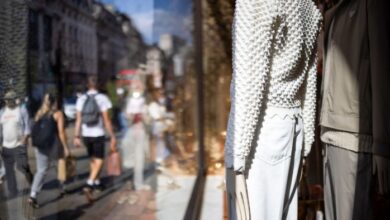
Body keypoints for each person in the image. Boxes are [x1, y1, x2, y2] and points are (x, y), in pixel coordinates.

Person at [224, 1, 322, 219]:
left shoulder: (257, 2)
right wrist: (304, 144)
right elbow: (308, 84)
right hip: (291, 127)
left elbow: (248, 84)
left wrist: (235, 157)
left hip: (261, 133)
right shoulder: (307, 6)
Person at [320, 0, 390, 219]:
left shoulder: (371, 6)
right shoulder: (334, 12)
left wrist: (382, 145)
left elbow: (382, 77)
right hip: (329, 133)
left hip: (355, 138)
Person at [74, 75, 117, 202]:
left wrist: (77, 136)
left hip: (86, 134)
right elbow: (106, 119)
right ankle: (89, 184)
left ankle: (97, 182)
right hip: (98, 133)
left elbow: (78, 120)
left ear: (87, 85)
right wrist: (112, 135)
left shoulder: (81, 99)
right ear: (97, 85)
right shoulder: (102, 98)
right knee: (100, 160)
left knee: (93, 159)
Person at [28, 93, 70, 208]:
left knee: (41, 170)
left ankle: (33, 195)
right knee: (60, 163)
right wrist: (66, 147)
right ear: (55, 101)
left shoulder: (39, 113)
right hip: (53, 145)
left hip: (40, 146)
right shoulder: (58, 114)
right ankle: (62, 188)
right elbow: (61, 132)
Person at [0, 90, 33, 198]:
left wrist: (26, 137)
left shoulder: (21, 110)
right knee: (9, 170)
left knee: (22, 166)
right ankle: (13, 191)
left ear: (15, 100)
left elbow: (27, 126)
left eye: (10, 99)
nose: (8, 101)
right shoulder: (2, 112)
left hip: (19, 144)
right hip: (6, 145)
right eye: (7, 100)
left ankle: (31, 179)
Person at [120, 83, 149, 190]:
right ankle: (134, 181)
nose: (138, 90)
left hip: (138, 131)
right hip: (133, 132)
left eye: (139, 88)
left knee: (139, 158)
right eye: (136, 88)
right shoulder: (130, 103)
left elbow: (146, 119)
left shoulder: (143, 102)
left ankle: (137, 183)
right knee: (134, 158)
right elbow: (127, 119)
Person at [148, 88, 169, 165]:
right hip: (158, 126)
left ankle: (162, 159)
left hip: (162, 125)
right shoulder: (152, 105)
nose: (161, 95)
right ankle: (159, 160)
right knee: (159, 143)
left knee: (162, 143)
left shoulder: (159, 104)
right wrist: (166, 118)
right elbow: (157, 117)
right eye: (160, 94)